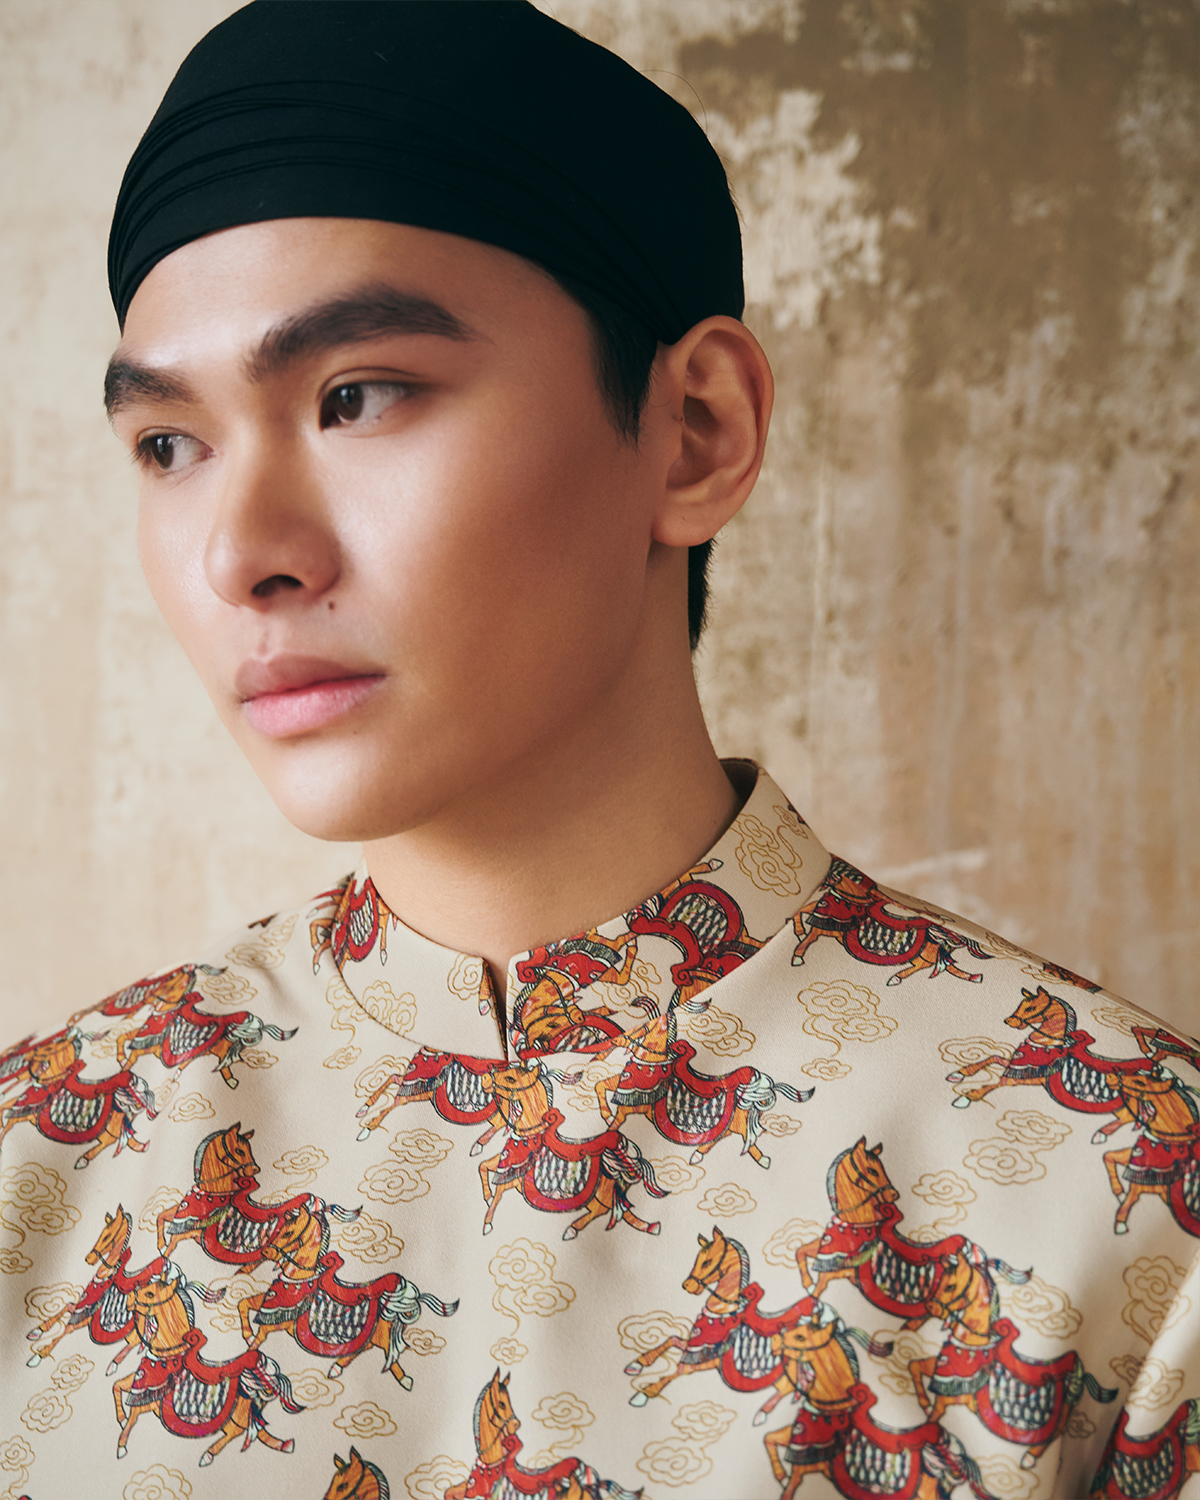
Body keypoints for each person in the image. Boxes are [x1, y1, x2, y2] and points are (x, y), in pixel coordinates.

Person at [0, 4, 1196, 1498]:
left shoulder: (1130, 1201)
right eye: (169, 446)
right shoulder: (44, 1160)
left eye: (356, 396)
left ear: (695, 431)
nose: (243, 554)